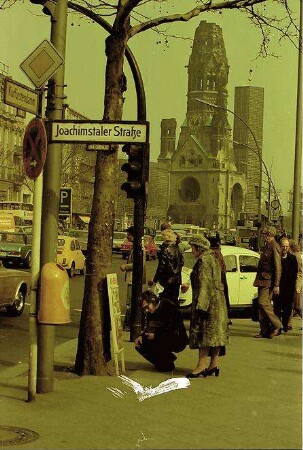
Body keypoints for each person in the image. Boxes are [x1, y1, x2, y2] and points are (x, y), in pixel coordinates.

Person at [185, 235, 229, 378]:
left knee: (203, 335)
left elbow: (205, 284)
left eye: (193, 248)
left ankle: (201, 366)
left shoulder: (204, 260)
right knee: (215, 336)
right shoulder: (214, 258)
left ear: (199, 248)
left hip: (208, 304)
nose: (192, 251)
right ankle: (213, 364)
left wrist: (201, 307)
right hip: (218, 302)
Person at [134, 290, 189, 372]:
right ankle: (164, 361)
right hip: (161, 336)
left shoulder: (169, 308)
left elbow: (174, 331)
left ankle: (165, 361)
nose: (146, 310)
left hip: (176, 338)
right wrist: (141, 336)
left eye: (147, 307)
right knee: (141, 344)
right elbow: (149, 327)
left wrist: (156, 336)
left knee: (157, 342)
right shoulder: (151, 312)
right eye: (144, 309)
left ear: (153, 301)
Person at [253, 225, 282, 338]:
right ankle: (264, 330)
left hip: (268, 280)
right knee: (261, 307)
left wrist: (276, 285)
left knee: (262, 302)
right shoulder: (267, 246)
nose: (263, 236)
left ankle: (277, 324)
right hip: (262, 280)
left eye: (265, 234)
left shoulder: (274, 246)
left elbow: (278, 267)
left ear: (269, 235)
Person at [120, 226, 146, 331]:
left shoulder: (138, 248)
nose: (127, 237)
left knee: (130, 302)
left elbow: (137, 264)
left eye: (129, 235)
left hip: (133, 278)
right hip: (136, 279)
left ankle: (129, 324)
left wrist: (125, 266)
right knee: (133, 301)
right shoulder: (138, 247)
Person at [150, 228, 184, 306]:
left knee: (165, 301)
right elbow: (182, 262)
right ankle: (175, 316)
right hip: (177, 279)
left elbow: (161, 266)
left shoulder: (165, 249)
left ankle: (166, 317)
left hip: (166, 279)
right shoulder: (178, 248)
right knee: (174, 300)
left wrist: (155, 279)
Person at [273, 237, 299, 332]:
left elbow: (295, 273)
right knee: (277, 307)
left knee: (287, 308)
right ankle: (278, 326)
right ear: (280, 246)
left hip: (288, 288)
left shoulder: (292, 258)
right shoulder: (277, 257)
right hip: (278, 287)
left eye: (286, 246)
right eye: (283, 246)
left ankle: (285, 325)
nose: (284, 248)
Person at [208, 236, 232, 322]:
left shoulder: (214, 253)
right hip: (221, 277)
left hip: (219, 278)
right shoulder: (217, 252)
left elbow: (217, 268)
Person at [287, 239, 302, 327]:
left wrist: (297, 286)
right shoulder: (299, 255)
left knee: (297, 306)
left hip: (297, 283)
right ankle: (288, 323)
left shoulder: (295, 257)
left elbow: (298, 272)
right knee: (292, 304)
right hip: (297, 283)